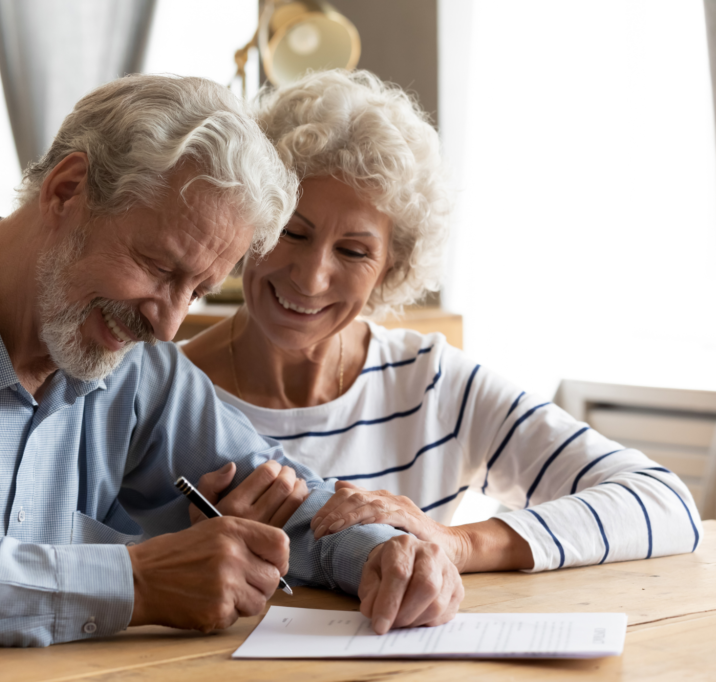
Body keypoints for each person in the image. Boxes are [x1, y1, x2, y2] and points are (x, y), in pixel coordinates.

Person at [0, 74, 463, 682]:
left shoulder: (128, 358)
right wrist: (136, 580)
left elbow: (289, 498)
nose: (168, 324)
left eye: (197, 291)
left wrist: (385, 554)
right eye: (158, 268)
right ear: (66, 192)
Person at [183, 69, 702, 580]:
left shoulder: (430, 383)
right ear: (247, 221)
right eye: (293, 232)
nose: (312, 277)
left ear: (393, 264)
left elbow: (663, 501)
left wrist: (455, 542)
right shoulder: (158, 392)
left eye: (354, 250)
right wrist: (183, 549)